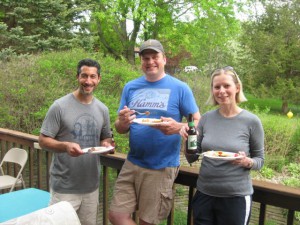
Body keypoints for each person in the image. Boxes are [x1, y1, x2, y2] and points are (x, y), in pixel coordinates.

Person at [108, 39, 200, 225]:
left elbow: (197, 120)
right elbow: (120, 128)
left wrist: (179, 127)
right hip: (132, 162)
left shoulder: (180, 88)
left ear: (164, 59)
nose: (150, 62)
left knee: (147, 221)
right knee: (116, 215)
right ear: (141, 62)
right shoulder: (131, 87)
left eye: (155, 57)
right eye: (145, 58)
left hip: (161, 166)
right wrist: (122, 121)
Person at [180, 66, 265, 225]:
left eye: (226, 85)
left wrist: (247, 162)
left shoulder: (252, 121)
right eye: (217, 87)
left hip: (235, 198)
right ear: (212, 90)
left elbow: (260, 160)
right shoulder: (206, 118)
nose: (221, 91)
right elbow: (192, 157)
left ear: (237, 87)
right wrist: (186, 140)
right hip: (205, 194)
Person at [38, 58, 113, 225]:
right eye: (84, 76)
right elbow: (43, 140)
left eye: (93, 77)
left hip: (91, 187)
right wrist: (65, 146)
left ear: (99, 79)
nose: (88, 81)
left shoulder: (103, 109)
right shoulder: (59, 106)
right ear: (77, 77)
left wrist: (107, 144)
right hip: (64, 187)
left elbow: (105, 137)